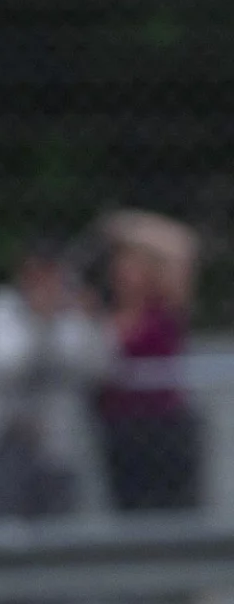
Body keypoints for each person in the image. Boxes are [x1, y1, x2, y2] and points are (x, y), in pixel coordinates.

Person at [0, 248, 105, 520]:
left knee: (60, 521)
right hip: (6, 440)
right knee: (5, 523)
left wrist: (90, 319)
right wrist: (40, 321)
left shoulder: (71, 311)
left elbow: (95, 367)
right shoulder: (0, 307)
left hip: (59, 445)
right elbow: (5, 364)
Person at [95, 218, 200, 512]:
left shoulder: (163, 312)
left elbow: (182, 245)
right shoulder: (102, 316)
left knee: (175, 511)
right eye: (121, 265)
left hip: (164, 426)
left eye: (134, 265)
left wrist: (128, 226)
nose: (124, 272)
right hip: (121, 430)